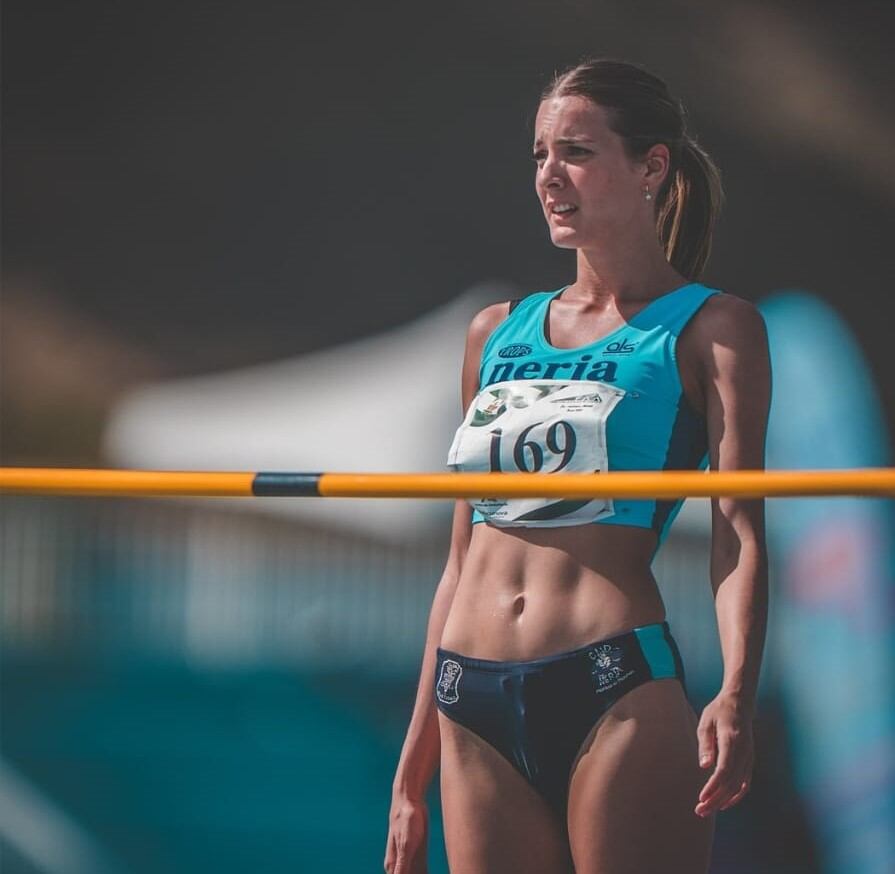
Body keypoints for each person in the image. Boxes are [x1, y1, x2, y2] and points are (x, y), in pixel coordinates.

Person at [384, 58, 770, 874]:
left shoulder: (711, 328)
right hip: (469, 697)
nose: (549, 176)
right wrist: (411, 773)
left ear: (650, 167)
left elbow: (736, 535)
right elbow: (459, 561)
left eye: (576, 153)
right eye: (538, 155)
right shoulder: (494, 332)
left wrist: (736, 689)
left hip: (610, 684)